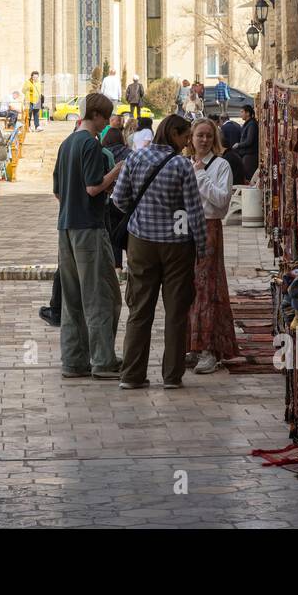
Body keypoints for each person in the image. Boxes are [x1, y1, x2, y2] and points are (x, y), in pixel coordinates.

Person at [112, 115, 208, 390]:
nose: (188, 141)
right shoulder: (181, 165)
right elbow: (193, 210)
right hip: (177, 245)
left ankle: (131, 374)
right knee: (176, 311)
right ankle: (172, 375)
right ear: (174, 135)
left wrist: (143, 212)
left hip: (141, 242)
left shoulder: (135, 158)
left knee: (139, 309)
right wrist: (202, 246)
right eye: (186, 136)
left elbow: (119, 199)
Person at [53, 92, 125, 380]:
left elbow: (58, 191)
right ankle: (103, 360)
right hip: (90, 228)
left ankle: (73, 360)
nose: (107, 123)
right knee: (101, 295)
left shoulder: (67, 143)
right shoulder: (91, 145)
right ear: (96, 116)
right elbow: (94, 188)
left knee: (72, 299)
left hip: (65, 227)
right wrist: (116, 172)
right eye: (106, 117)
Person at [184, 118, 238, 375]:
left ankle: (209, 348)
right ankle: (191, 345)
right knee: (187, 286)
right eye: (199, 136)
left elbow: (221, 201)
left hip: (209, 229)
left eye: (208, 136)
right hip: (185, 229)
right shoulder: (183, 164)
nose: (204, 140)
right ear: (191, 138)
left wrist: (200, 175)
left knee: (207, 288)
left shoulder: (221, 165)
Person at [235, 104, 259, 180]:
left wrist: (238, 145)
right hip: (247, 155)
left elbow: (249, 141)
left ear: (248, 113)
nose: (241, 114)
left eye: (242, 112)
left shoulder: (251, 124)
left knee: (249, 176)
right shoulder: (248, 124)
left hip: (250, 156)